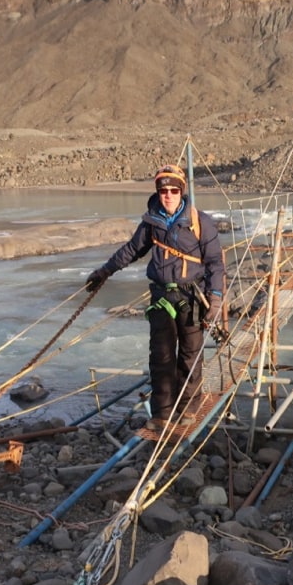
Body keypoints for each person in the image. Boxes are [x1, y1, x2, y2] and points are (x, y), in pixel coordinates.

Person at [86, 164, 225, 432]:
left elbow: (216, 263)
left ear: (182, 192)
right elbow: (131, 250)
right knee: (160, 356)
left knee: (190, 355)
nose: (169, 195)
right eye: (164, 191)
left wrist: (215, 297)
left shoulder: (200, 222)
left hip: (191, 296)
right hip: (162, 297)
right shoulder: (151, 223)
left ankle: (187, 408)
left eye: (174, 190)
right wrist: (105, 272)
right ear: (158, 193)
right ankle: (162, 413)